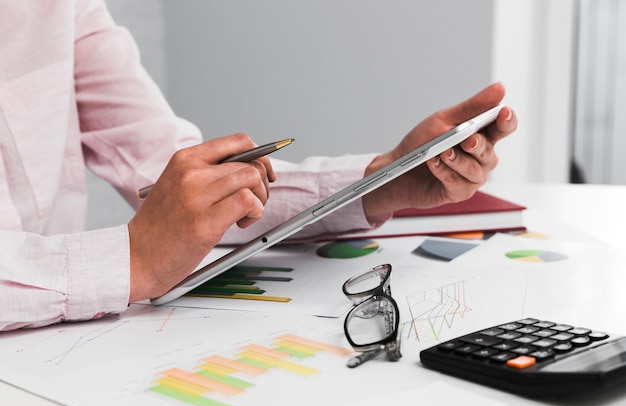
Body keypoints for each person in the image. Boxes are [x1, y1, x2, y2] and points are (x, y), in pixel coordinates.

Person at [0, 0, 517, 331]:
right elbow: (152, 244)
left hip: (56, 343)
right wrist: (133, 261)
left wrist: (380, 180)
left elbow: (170, 173)